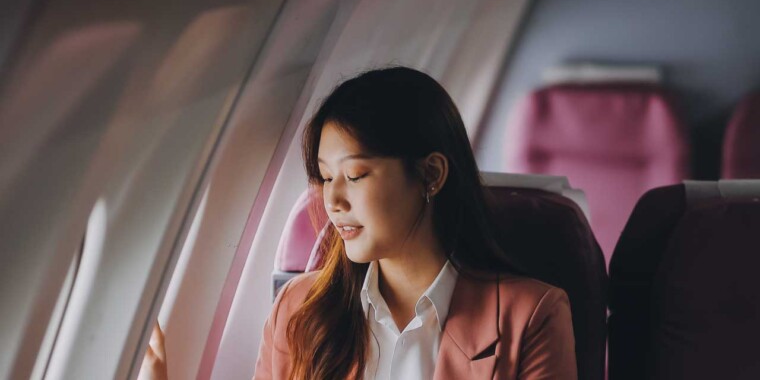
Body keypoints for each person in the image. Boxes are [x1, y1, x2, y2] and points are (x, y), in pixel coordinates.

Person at [144, 67, 577, 380]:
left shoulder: (531, 316)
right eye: (325, 177)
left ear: (431, 175)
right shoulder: (298, 310)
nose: (332, 200)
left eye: (354, 176)